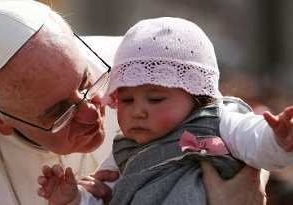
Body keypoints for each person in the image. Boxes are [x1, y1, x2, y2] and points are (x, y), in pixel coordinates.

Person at [0, 0, 268, 204]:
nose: (92, 113)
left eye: (87, 82)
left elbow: (228, 121)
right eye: (60, 112)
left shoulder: (138, 67)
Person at [37, 17, 293, 205]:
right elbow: (109, 196)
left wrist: (279, 140)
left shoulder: (217, 121)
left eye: (155, 99)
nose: (138, 112)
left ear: (195, 95)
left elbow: (253, 140)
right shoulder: (125, 150)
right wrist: (75, 198)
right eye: (127, 101)